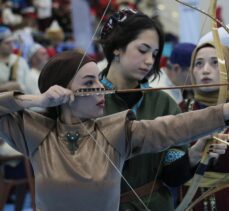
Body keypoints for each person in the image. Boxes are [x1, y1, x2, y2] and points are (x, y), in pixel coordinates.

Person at [0, 50, 228, 211]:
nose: (100, 87)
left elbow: (172, 128)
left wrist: (223, 112)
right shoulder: (34, 131)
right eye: (89, 82)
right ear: (61, 91)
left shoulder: (116, 131)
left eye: (98, 79)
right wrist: (37, 100)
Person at [97, 8, 226, 211]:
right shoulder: (87, 99)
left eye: (155, 53)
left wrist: (194, 154)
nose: (150, 60)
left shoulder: (162, 103)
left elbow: (172, 176)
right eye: (143, 50)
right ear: (117, 47)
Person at [179, 42, 229, 211]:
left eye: (216, 62)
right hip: (186, 201)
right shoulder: (179, 110)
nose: (205, 70)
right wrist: (191, 156)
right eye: (198, 63)